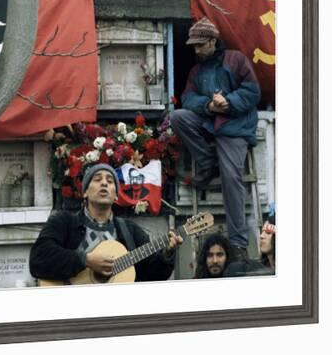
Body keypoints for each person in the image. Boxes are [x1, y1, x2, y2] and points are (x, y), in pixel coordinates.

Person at [170, 17, 261, 262]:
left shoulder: (236, 59)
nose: (196, 50)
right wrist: (209, 105)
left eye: (200, 45)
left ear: (212, 41)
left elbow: (253, 92)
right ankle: (208, 161)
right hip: (210, 122)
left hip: (235, 127)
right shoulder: (196, 70)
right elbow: (187, 98)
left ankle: (238, 244)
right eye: (194, 46)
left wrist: (228, 102)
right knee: (177, 117)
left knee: (232, 178)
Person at [29, 163, 183, 284]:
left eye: (110, 181)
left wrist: (167, 254)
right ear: (85, 192)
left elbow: (152, 276)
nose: (104, 183)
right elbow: (38, 259)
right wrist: (85, 260)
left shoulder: (130, 231)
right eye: (97, 179)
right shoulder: (64, 222)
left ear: (116, 195)